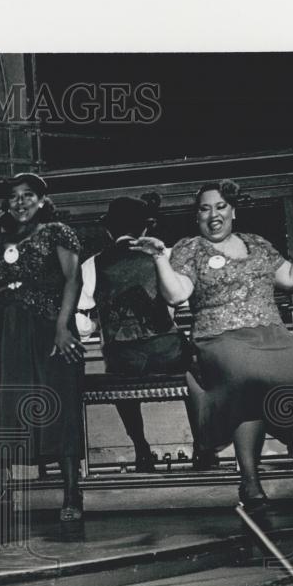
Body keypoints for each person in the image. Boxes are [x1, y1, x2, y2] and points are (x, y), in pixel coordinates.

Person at [131, 179, 293, 511]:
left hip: (272, 335)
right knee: (247, 378)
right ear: (197, 216)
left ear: (233, 211)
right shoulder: (190, 248)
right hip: (220, 338)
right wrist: (159, 258)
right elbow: (177, 294)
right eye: (205, 208)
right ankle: (251, 484)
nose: (213, 215)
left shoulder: (258, 244)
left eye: (220, 206)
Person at [0, 172, 85, 522]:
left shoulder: (58, 231)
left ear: (42, 200)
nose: (20, 201)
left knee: (59, 411)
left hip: (48, 331)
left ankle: (72, 496)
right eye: (14, 196)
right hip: (8, 335)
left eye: (28, 195)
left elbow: (73, 279)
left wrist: (62, 327)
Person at [76, 193, 215, 472]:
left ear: (108, 229)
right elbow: (182, 298)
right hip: (168, 351)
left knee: (117, 369)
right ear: (146, 228)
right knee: (200, 371)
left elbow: (81, 316)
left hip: (123, 358)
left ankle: (141, 450)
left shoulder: (91, 264)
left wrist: (93, 327)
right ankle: (203, 448)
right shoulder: (167, 255)